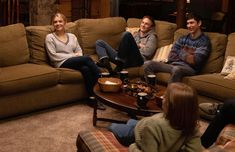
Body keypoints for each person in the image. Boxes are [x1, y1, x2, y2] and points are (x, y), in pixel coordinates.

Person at [108, 82, 202, 152]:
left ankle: (127, 125)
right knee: (132, 121)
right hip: (143, 124)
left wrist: (133, 147)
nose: (163, 98)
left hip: (137, 133)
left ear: (170, 106)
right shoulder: (192, 125)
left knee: (112, 126)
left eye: (165, 97)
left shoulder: (153, 126)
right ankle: (131, 122)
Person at [45, 12, 105, 110]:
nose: (58, 23)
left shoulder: (72, 36)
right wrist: (72, 55)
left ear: (65, 22)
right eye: (55, 22)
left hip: (74, 61)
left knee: (85, 69)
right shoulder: (50, 38)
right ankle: (102, 78)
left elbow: (79, 51)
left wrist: (75, 56)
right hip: (60, 63)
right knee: (87, 58)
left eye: (60, 21)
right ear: (52, 24)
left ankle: (92, 99)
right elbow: (53, 56)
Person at [144, 12, 211, 83]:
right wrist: (187, 55)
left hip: (190, 69)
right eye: (187, 23)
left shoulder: (204, 41)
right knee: (148, 64)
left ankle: (169, 93)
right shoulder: (183, 38)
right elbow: (171, 56)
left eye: (192, 23)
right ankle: (152, 89)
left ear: (199, 23)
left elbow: (195, 61)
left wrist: (179, 52)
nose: (189, 25)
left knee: (177, 69)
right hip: (173, 65)